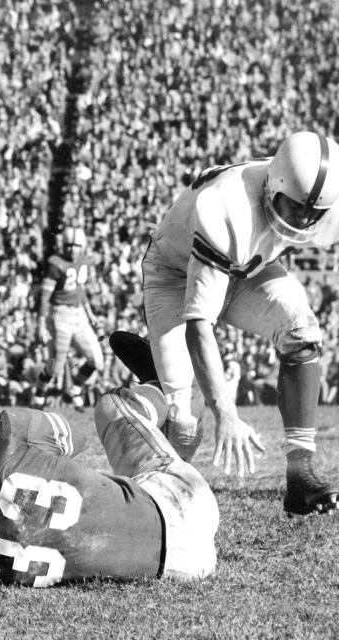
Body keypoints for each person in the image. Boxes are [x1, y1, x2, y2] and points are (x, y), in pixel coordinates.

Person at [141, 131, 339, 515]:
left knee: (303, 331)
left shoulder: (319, 201)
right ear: (274, 185)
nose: (302, 220)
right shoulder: (227, 207)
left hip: (246, 268)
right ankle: (146, 500)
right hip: (174, 274)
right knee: (185, 425)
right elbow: (201, 326)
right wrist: (226, 413)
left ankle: (300, 475)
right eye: (295, 208)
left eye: (311, 214)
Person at [0, 382, 218, 586]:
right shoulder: (8, 433)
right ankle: (171, 391)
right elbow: (74, 439)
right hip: (182, 500)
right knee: (112, 406)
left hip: (186, 569)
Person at [32, 226, 104, 411]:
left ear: (82, 246)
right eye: (69, 245)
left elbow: (80, 290)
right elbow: (45, 297)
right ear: (63, 245)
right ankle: (39, 395)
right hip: (60, 316)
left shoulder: (84, 261)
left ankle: (75, 389)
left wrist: (90, 313)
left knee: (96, 361)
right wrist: (41, 324)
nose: (72, 249)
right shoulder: (56, 264)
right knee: (55, 367)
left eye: (76, 246)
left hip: (78, 314)